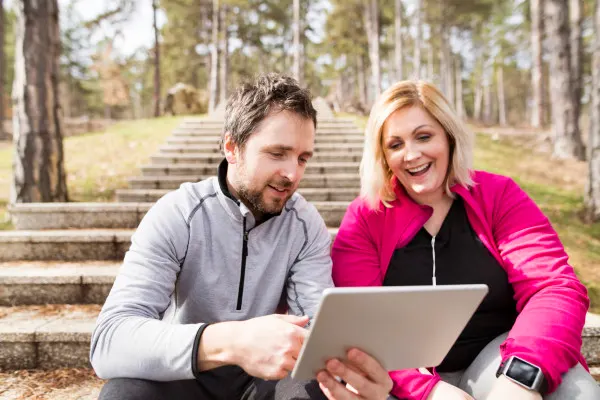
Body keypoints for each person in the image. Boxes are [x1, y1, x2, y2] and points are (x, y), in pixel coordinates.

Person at [90, 73, 393, 400]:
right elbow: (109, 340)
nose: (293, 174)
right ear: (232, 148)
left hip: (267, 382)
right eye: (278, 153)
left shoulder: (305, 225)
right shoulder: (177, 214)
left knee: (316, 390)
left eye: (303, 158)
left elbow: (317, 330)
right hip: (187, 374)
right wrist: (234, 342)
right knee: (123, 393)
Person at [331, 80, 600, 400]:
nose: (412, 154)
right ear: (383, 155)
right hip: (399, 374)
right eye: (395, 144)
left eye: (424, 136)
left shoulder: (498, 195)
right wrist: (429, 392)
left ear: (448, 136)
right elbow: (360, 320)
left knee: (576, 392)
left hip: (496, 358)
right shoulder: (364, 217)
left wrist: (521, 376)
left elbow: (553, 287)